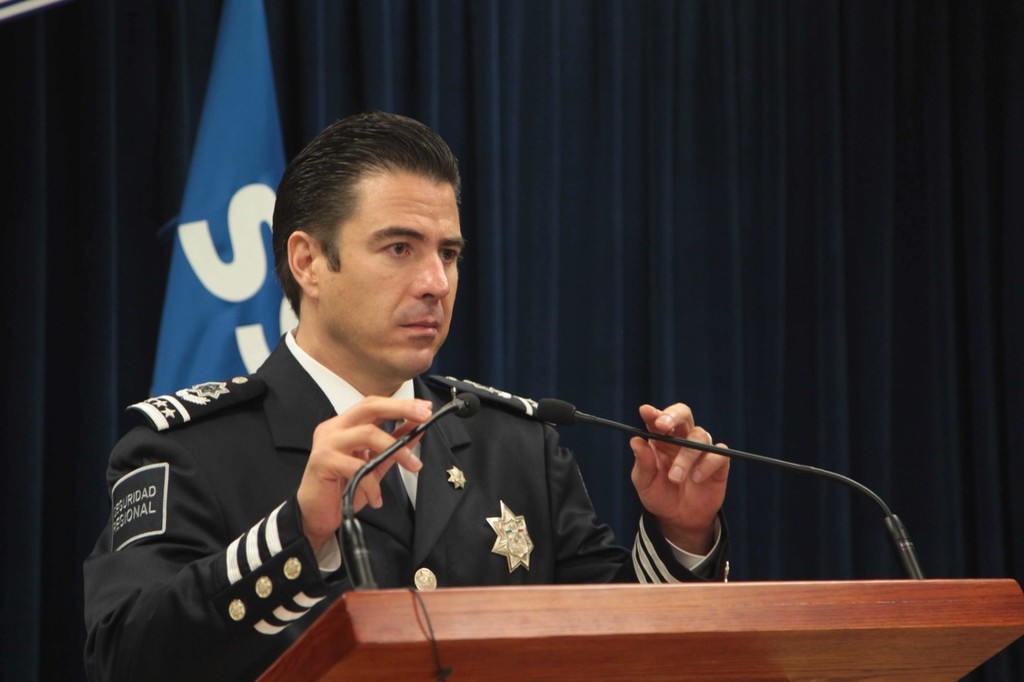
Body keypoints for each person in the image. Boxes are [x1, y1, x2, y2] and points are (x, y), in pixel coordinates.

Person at [83, 111, 731, 680]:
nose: (435, 282)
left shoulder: (517, 444)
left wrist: (680, 533)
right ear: (308, 262)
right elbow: (125, 658)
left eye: (448, 253)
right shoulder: (189, 448)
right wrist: (297, 533)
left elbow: (619, 649)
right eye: (399, 248)